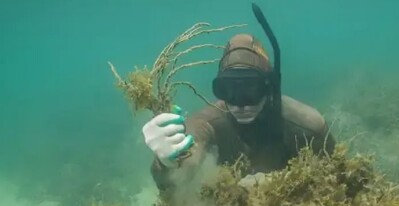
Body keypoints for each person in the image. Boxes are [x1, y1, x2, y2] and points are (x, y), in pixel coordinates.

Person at [142, 33, 336, 192]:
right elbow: (185, 164)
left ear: (269, 86)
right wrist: (167, 162)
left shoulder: (306, 126)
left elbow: (333, 183)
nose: (240, 104)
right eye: (228, 90)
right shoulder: (208, 122)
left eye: (251, 89)